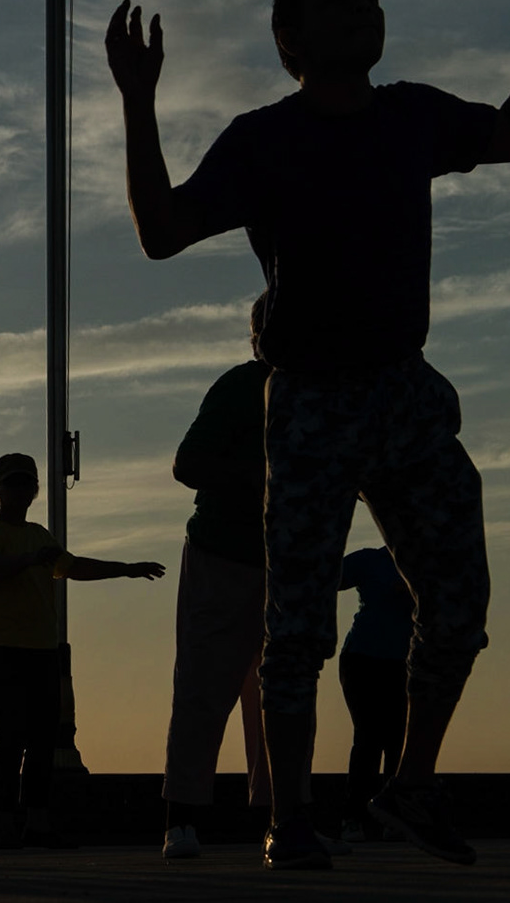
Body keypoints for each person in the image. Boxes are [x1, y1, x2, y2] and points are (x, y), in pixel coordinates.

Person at [105, 0, 509, 868]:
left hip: (403, 389)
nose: (363, 7)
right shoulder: (264, 140)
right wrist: (138, 100)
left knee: (459, 605)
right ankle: (290, 817)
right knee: (294, 628)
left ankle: (411, 785)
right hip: (312, 401)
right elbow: (162, 232)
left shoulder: (413, 116)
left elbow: (507, 135)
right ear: (290, 38)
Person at [158, 291, 314, 859]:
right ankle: (180, 820)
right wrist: (256, 477)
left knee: (289, 690)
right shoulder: (237, 388)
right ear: (256, 337)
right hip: (223, 556)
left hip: (289, 561)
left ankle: (288, 817)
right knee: (204, 686)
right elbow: (187, 464)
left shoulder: (320, 390)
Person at [0, 453, 163, 850]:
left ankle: (37, 823)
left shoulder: (40, 536)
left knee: (43, 738)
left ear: (34, 490)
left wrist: (126, 568)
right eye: (12, 483)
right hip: (0, 648)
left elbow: (73, 567)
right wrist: (30, 560)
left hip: (42, 649)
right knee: (9, 737)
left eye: (26, 483)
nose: (20, 490)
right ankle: (5, 824)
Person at [338, 545, 411, 843]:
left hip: (403, 663)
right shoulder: (370, 560)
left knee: (397, 740)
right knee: (368, 737)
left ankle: (394, 817)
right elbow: (325, 578)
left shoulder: (426, 565)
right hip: (362, 660)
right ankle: (353, 818)